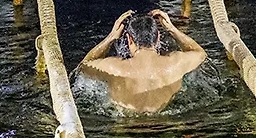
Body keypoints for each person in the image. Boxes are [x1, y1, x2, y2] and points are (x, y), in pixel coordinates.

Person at [76, 10, 206, 114]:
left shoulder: (113, 67)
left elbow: (84, 66)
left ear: (129, 40)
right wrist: (172, 29)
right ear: (158, 38)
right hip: (165, 126)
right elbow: (200, 54)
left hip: (127, 128)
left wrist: (110, 38)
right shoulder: (176, 63)